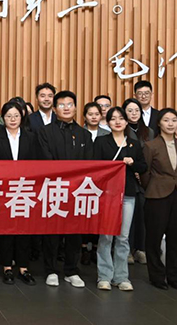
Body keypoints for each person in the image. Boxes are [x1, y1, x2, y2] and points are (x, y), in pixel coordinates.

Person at [38, 90, 92, 288]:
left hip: (77, 191)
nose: (66, 108)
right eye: (61, 105)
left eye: (70, 104)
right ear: (54, 109)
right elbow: (45, 159)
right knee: (52, 232)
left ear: (76, 108)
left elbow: (89, 163)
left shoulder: (84, 134)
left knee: (74, 232)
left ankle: (71, 270)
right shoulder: (45, 132)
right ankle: (51, 270)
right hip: (53, 188)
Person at [94, 107, 147, 291]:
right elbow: (95, 166)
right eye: (113, 118)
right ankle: (104, 276)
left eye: (121, 118)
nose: (117, 122)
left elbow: (143, 167)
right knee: (106, 235)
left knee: (123, 237)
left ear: (126, 122)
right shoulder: (101, 142)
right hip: (107, 194)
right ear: (108, 122)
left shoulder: (134, 143)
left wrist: (132, 163)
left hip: (128, 193)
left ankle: (122, 276)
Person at [141, 108, 177, 291]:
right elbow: (144, 172)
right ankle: (157, 276)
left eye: (174, 120)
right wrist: (154, 186)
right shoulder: (150, 146)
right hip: (156, 195)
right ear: (159, 123)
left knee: (176, 239)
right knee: (154, 238)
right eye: (166, 120)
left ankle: (174, 276)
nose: (170, 124)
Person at [0, 101, 38, 286]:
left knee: (24, 229)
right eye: (9, 116)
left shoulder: (30, 137)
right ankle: (7, 267)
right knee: (6, 229)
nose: (12, 119)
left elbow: (36, 163)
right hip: (3, 189)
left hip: (25, 188)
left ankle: (23, 268)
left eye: (16, 116)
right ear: (3, 118)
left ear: (22, 117)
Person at [122, 98, 154, 265]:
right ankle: (127, 249)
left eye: (137, 110)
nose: (134, 113)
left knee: (143, 213)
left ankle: (141, 249)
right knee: (128, 217)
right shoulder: (121, 129)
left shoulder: (149, 131)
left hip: (145, 176)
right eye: (130, 110)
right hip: (127, 176)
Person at [80, 102, 109, 265]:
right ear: (85, 116)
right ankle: (84, 247)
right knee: (84, 215)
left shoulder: (107, 134)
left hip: (101, 181)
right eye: (90, 114)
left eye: (96, 114)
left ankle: (96, 247)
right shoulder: (79, 132)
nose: (93, 117)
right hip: (82, 181)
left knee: (98, 215)